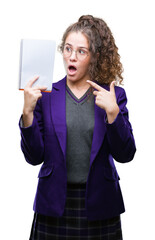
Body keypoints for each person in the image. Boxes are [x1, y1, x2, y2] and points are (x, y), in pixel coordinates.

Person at [19, 15, 136, 240]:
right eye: (68, 49)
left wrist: (113, 114)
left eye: (81, 51)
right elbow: (34, 157)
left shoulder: (114, 95)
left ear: (94, 57)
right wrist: (27, 114)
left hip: (101, 204)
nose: (71, 56)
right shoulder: (46, 95)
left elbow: (126, 154)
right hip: (53, 205)